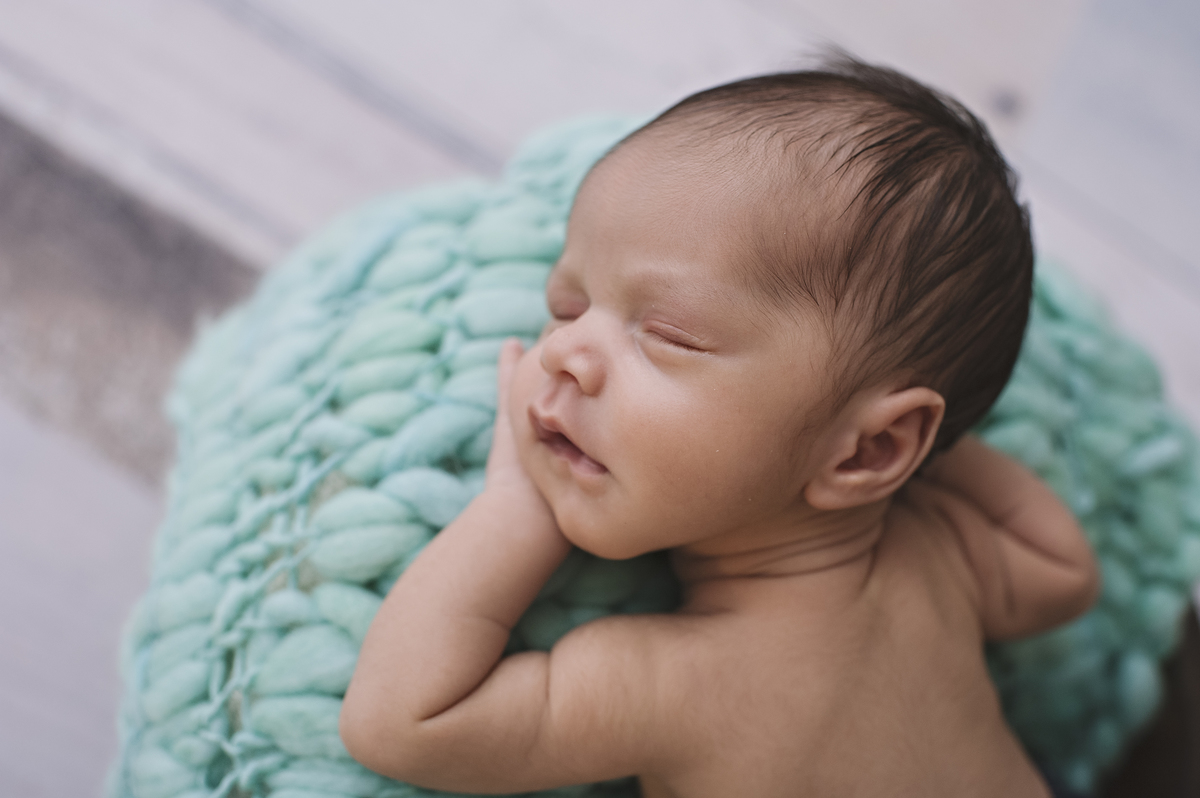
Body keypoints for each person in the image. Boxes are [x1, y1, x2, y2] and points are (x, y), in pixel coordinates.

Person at [339, 54, 1100, 797]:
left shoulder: (683, 685)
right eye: (567, 308)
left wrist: (513, 514)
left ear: (875, 447)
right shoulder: (942, 562)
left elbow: (402, 724)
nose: (563, 350)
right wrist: (903, 447)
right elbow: (1065, 571)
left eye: (667, 334)